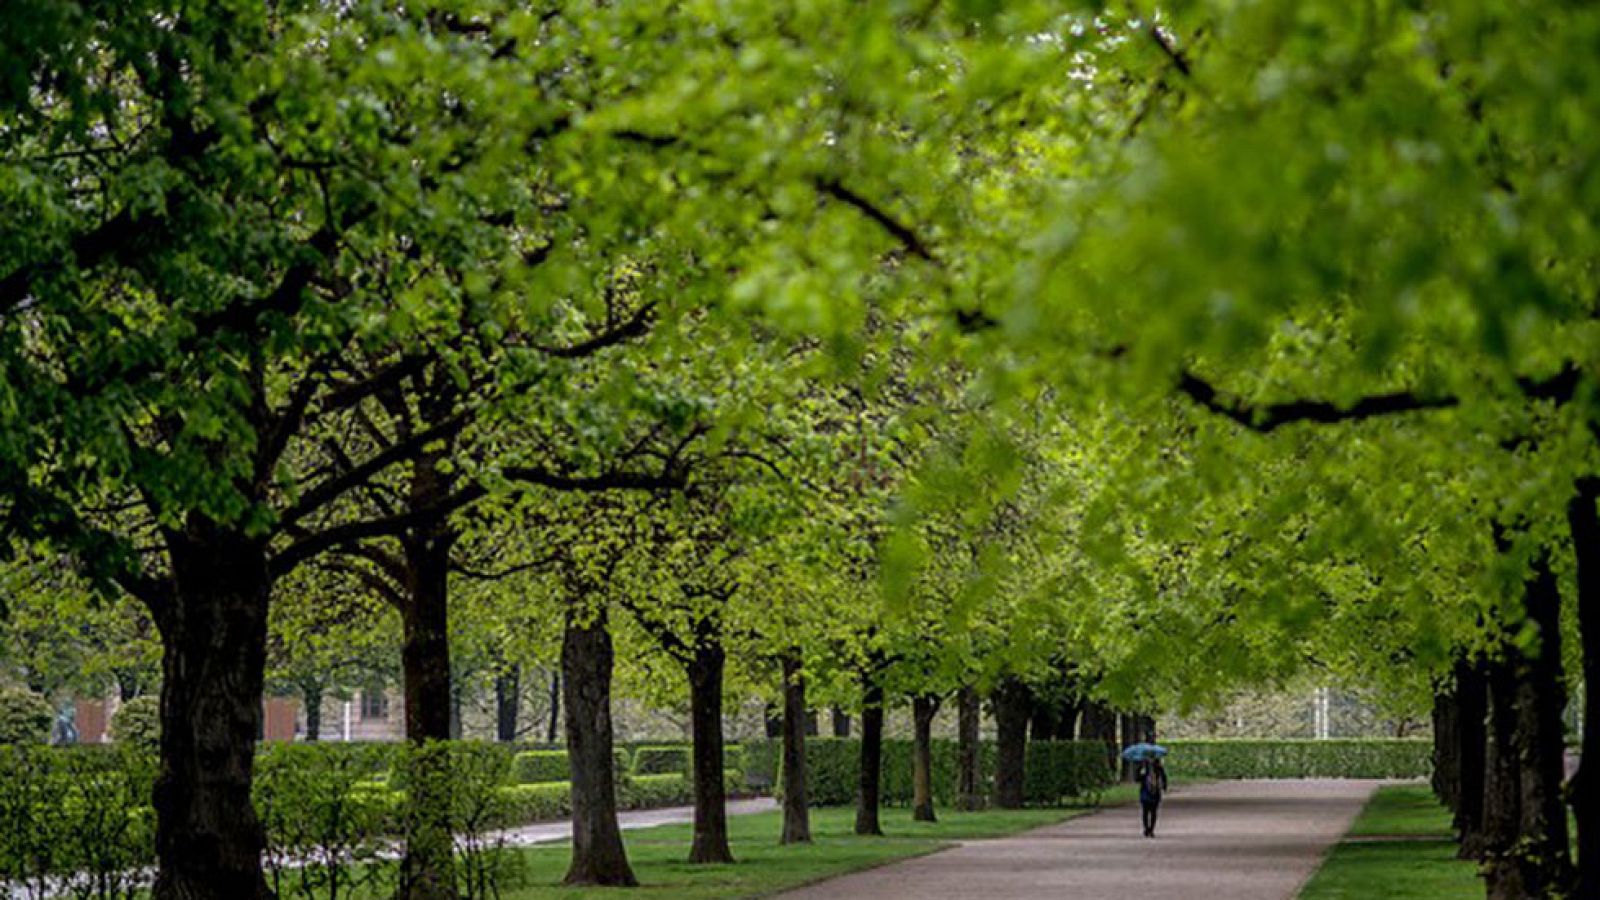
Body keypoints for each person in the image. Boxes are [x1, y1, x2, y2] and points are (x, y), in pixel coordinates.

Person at [1138, 758, 1168, 837]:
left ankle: (1149, 829)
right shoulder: (1154, 767)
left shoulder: (1146, 766)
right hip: (1151, 793)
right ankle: (1149, 829)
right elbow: (1164, 778)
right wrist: (1164, 787)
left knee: (1147, 812)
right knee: (1151, 812)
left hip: (1148, 793)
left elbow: (1163, 778)